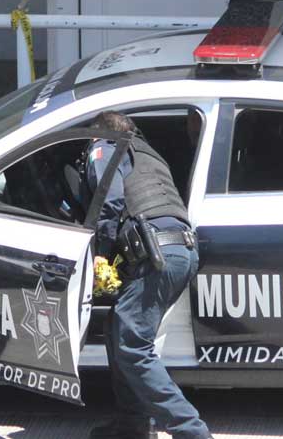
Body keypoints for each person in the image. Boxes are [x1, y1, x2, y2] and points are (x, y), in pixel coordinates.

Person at [84, 111, 210, 439]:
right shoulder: (150, 155)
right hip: (181, 249)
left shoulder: (107, 147)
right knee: (118, 328)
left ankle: (192, 432)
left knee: (132, 343)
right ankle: (131, 424)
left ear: (99, 135)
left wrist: (101, 255)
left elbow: (108, 202)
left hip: (157, 254)